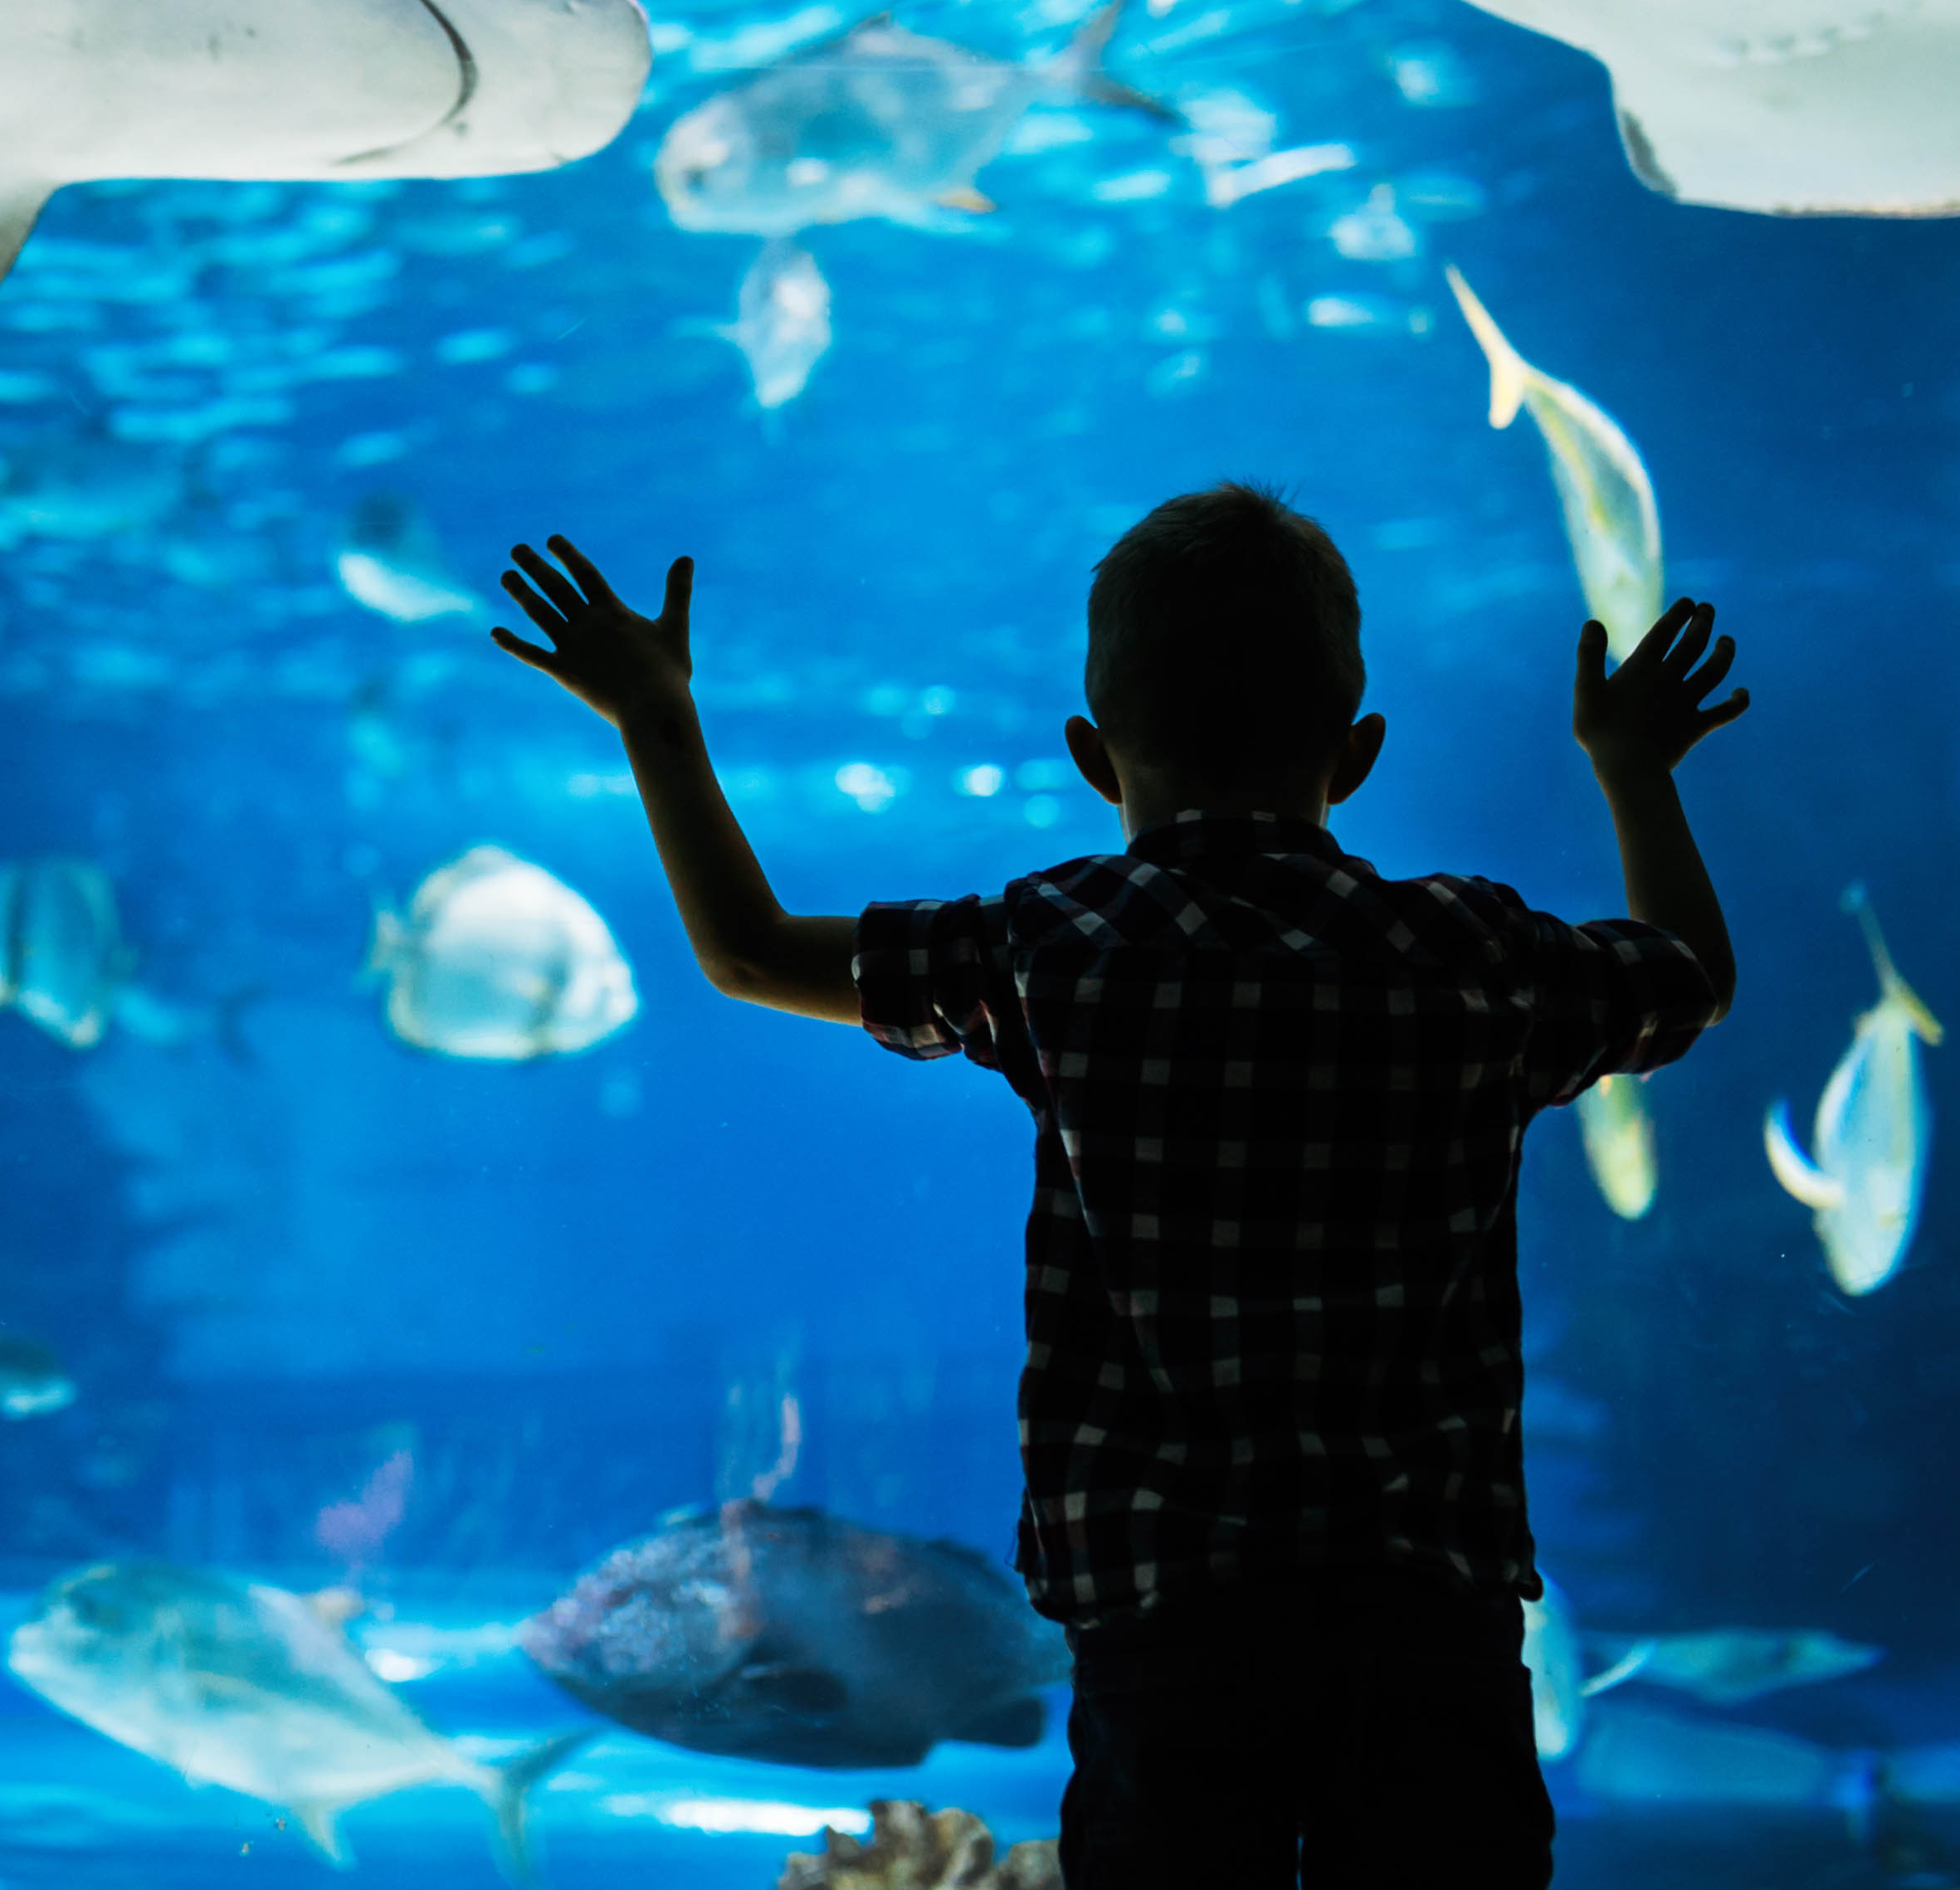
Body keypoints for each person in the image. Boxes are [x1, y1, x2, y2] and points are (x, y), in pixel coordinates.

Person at [490, 485, 1748, 1890]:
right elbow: (1685, 978)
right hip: (1423, 1614)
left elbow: (749, 947)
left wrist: (654, 713)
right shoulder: (1468, 952)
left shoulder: (1060, 947)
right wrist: (1637, 766)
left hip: (1170, 1622)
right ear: (1360, 751)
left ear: (1095, 755)